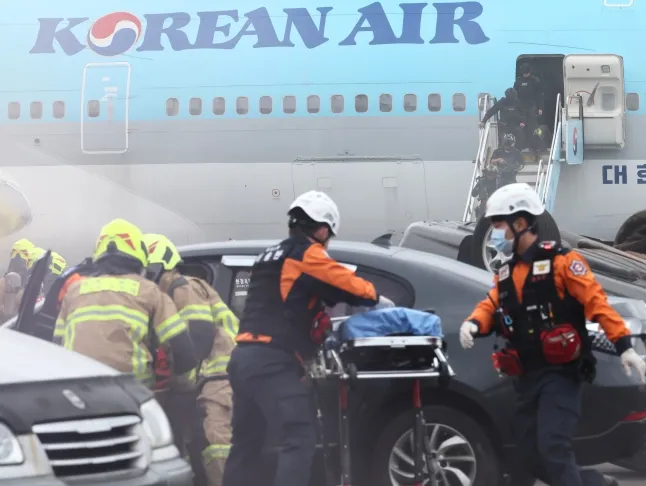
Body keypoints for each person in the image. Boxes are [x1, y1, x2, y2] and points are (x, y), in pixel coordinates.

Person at [459, 183, 646, 486]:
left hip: (561, 375)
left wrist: (623, 345)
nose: (494, 233)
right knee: (526, 454)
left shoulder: (562, 262)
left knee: (552, 447)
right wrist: (474, 323)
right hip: (526, 377)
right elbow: (491, 303)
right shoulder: (507, 272)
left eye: (498, 225)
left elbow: (596, 302)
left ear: (520, 224)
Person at [222, 190, 394, 486]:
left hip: (243, 359)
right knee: (299, 435)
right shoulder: (306, 253)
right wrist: (376, 297)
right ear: (323, 230)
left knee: (246, 444)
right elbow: (345, 283)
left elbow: (289, 301)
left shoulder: (269, 256)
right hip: (271, 363)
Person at [54, 218, 199, 388]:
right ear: (139, 254)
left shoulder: (74, 291)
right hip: (131, 394)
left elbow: (57, 345)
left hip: (78, 391)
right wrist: (183, 385)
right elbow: (183, 351)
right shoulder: (150, 292)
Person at [144, 233, 237, 486]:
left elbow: (199, 334)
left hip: (219, 374)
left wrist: (179, 380)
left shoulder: (181, 286)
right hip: (206, 376)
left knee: (215, 441)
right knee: (190, 442)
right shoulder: (165, 295)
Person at [514, 63, 544, 151]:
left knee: (533, 127)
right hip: (521, 106)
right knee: (522, 126)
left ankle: (535, 146)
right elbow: (515, 94)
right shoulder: (518, 81)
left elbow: (539, 95)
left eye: (526, 73)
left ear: (529, 72)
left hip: (532, 106)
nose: (526, 74)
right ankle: (522, 145)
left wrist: (540, 107)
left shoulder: (535, 81)